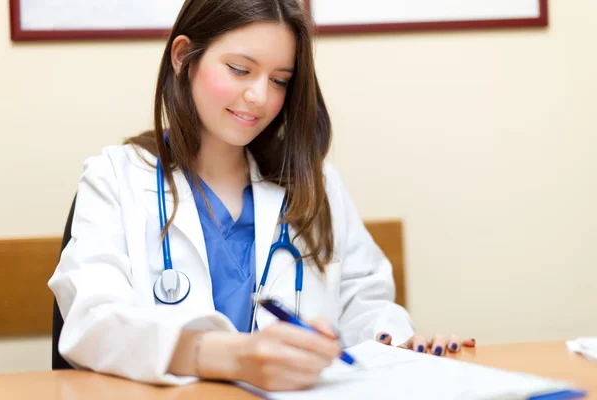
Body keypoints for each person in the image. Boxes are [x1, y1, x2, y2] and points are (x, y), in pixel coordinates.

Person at [48, 0, 475, 391]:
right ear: (183, 57)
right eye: (239, 69)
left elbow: (364, 300)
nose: (260, 97)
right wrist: (226, 356)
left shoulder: (313, 182)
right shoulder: (115, 178)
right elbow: (93, 320)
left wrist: (395, 345)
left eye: (280, 80)